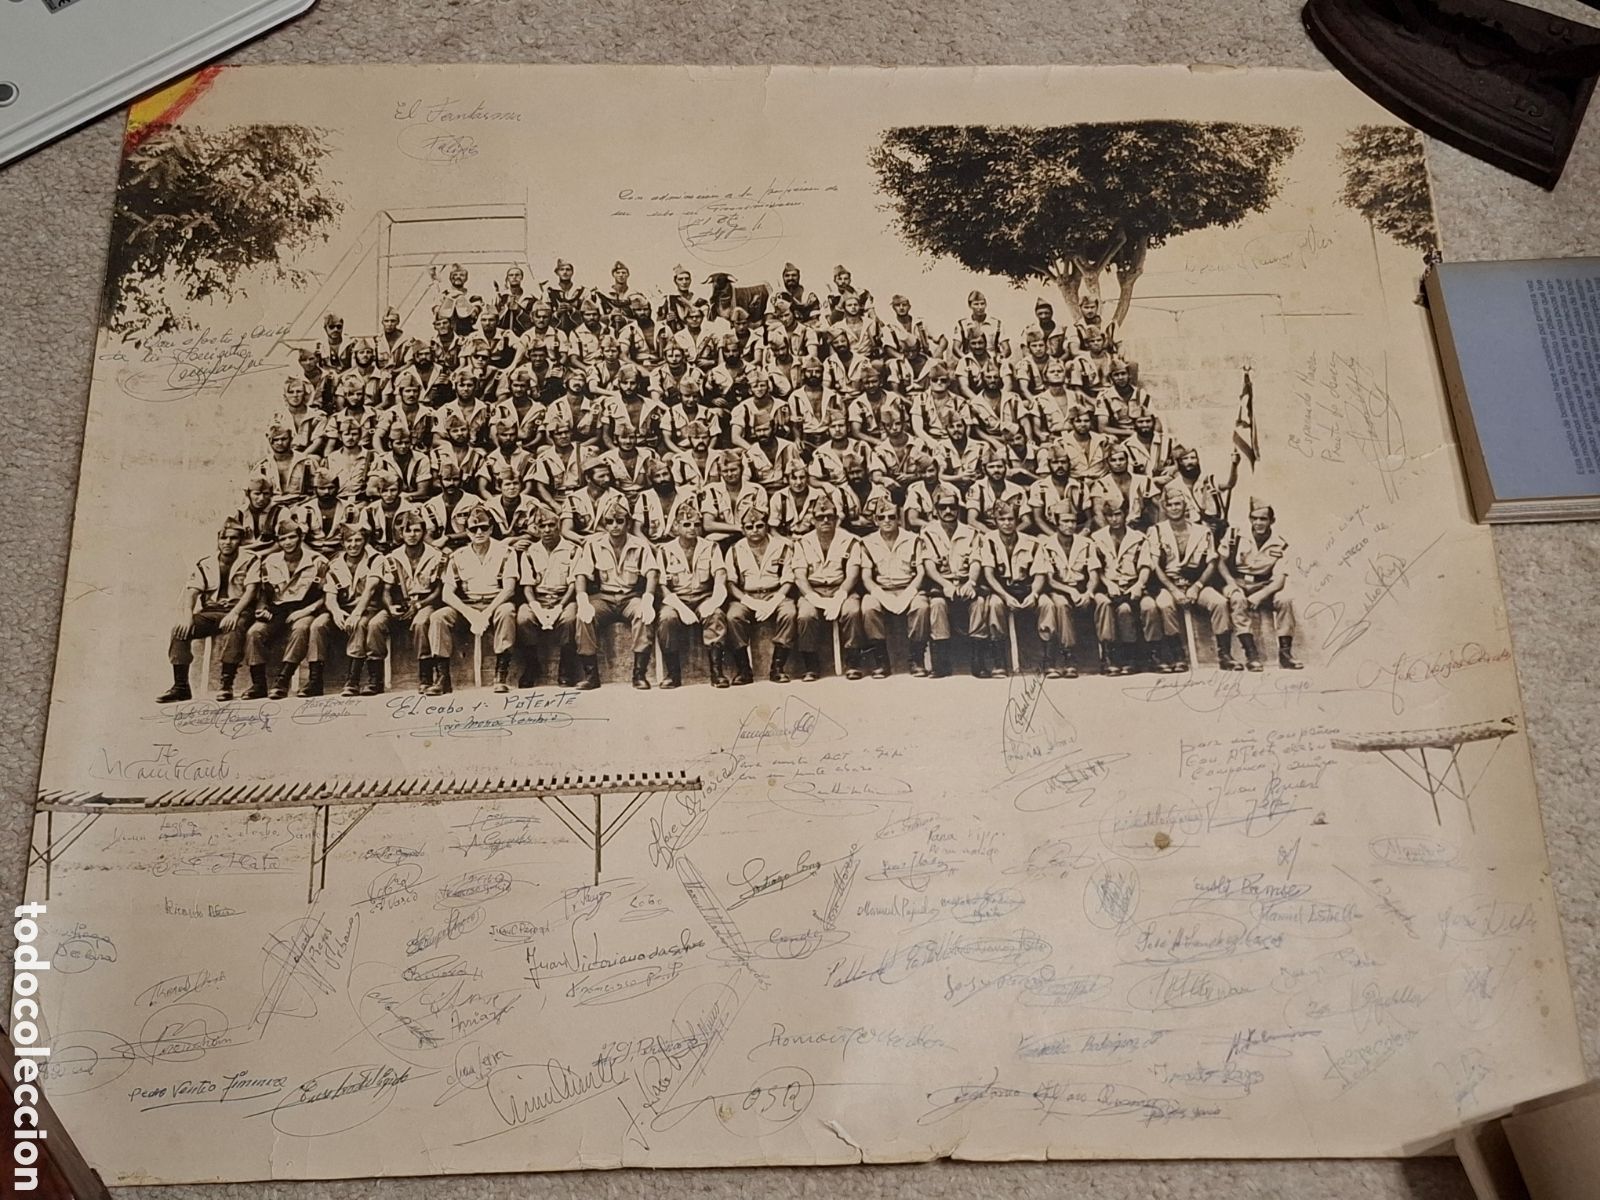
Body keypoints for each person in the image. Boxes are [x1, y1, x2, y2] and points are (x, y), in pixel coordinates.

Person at [158, 522, 259, 703]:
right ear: (218, 540)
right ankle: (181, 686)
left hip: (239, 610)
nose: (227, 542)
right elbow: (192, 592)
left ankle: (226, 684)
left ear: (240, 541)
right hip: (211, 611)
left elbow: (251, 591)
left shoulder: (251, 560)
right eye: (223, 538)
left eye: (233, 538)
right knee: (179, 630)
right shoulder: (206, 563)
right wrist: (187, 616)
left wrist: (235, 612)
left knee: (235, 628)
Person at [430, 505, 521, 694]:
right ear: (467, 532)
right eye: (473, 529)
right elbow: (447, 594)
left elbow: (509, 589)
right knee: (438, 617)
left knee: (507, 612)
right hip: (468, 605)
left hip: (495, 603)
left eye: (483, 527)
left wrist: (485, 614)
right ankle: (442, 677)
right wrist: (471, 614)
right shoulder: (458, 556)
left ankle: (500, 675)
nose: (479, 532)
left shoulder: (505, 552)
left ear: (491, 529)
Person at [574, 496, 660, 689]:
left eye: (620, 521)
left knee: (643, 614)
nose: (615, 526)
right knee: (584, 618)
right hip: (604, 598)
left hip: (630, 597)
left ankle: (639, 674)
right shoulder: (594, 545)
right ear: (604, 524)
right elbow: (581, 573)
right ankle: (591, 675)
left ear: (628, 523)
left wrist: (648, 599)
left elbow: (652, 573)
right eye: (610, 521)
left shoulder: (640, 545)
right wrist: (582, 600)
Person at [1146, 487, 1231, 672]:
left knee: (1220, 602)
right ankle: (1178, 655)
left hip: (1196, 584)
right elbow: (1155, 566)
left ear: (1185, 506)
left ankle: (1224, 654)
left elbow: (1211, 563)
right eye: (1170, 505)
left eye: (1178, 504)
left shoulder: (1203, 531)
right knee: (1164, 605)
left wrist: (1197, 586)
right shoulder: (1156, 531)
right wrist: (1173, 590)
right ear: (1164, 507)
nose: (1174, 508)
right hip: (1169, 584)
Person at [244, 515, 328, 700]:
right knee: (254, 632)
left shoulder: (317, 561)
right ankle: (258, 684)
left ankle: (282, 680)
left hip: (305, 607)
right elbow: (263, 592)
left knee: (301, 629)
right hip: (278, 609)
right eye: (283, 539)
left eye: (292, 537)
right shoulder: (270, 561)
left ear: (301, 537)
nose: (288, 542)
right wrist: (262, 608)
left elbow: (326, 595)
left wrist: (306, 611)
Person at [1217, 500, 1302, 670]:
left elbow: (1279, 579)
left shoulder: (1280, 543)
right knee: (1237, 599)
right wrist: (1231, 582)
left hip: (1263, 584)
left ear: (1272, 521)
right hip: (1237, 581)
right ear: (1250, 519)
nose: (1258, 523)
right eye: (1254, 518)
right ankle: (1251, 654)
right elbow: (1220, 562)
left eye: (1263, 519)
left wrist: (1260, 595)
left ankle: (1285, 654)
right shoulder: (1235, 534)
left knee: (1285, 600)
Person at [789, 495, 863, 681]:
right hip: (813, 589)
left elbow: (852, 574)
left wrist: (839, 597)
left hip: (842, 588)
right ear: (812, 520)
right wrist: (814, 598)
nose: (825, 521)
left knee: (852, 611)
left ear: (837, 519)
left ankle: (852, 663)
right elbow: (799, 576)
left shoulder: (851, 540)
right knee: (805, 615)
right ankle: (811, 665)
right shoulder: (802, 542)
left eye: (830, 516)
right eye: (820, 517)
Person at [654, 506, 729, 688]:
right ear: (676, 526)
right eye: (686, 524)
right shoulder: (664, 551)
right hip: (676, 599)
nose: (692, 528)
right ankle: (673, 674)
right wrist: (681, 608)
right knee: (666, 618)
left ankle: (717, 672)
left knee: (716, 615)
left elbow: (720, 577)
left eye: (696, 524)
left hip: (703, 597)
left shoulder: (711, 547)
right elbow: (662, 586)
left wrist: (713, 602)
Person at [918, 489, 989, 677]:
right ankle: (941, 664)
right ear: (936, 510)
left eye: (952, 507)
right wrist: (945, 584)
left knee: (979, 603)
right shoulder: (928, 533)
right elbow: (929, 565)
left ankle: (978, 663)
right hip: (942, 583)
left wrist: (971, 582)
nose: (948, 511)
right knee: (937, 604)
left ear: (958, 509)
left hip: (965, 581)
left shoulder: (971, 532)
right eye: (943, 507)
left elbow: (976, 560)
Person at [723, 507, 797, 684]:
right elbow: (730, 583)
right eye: (749, 527)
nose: (754, 530)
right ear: (743, 529)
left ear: (766, 526)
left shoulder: (782, 547)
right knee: (733, 616)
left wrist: (775, 601)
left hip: (775, 593)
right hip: (746, 596)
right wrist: (748, 601)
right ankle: (744, 670)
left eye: (759, 526)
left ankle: (777, 668)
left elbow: (788, 579)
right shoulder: (735, 549)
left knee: (789, 613)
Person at [313, 523, 388, 696]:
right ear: (343, 543)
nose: (353, 545)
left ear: (365, 541)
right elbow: (330, 595)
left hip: (369, 608)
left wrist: (356, 614)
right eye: (349, 541)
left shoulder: (376, 559)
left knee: (359, 624)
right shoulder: (335, 564)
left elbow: (370, 589)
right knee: (318, 625)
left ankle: (353, 680)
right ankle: (314, 680)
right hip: (344, 609)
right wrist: (336, 612)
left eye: (358, 540)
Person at [856, 500, 929, 677]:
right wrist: (882, 596)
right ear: (876, 520)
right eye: (882, 517)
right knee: (868, 607)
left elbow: (920, 573)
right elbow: (866, 577)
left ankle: (916, 659)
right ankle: (881, 661)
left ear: (899, 519)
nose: (887, 521)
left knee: (921, 606)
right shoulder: (867, 542)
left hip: (908, 587)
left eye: (891, 517)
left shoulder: (913, 539)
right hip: (881, 589)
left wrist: (908, 594)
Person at [378, 509, 445, 694]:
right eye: (408, 531)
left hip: (426, 601)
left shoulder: (436, 555)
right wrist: (390, 607)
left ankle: (425, 677)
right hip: (401, 602)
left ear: (423, 532)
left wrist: (419, 605)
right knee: (376, 623)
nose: (412, 535)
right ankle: (374, 678)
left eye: (417, 530)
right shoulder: (392, 557)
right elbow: (386, 590)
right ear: (401, 533)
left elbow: (439, 590)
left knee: (420, 623)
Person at [976, 501, 1044, 678]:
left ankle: (1049, 659)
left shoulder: (1032, 542)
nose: (1007, 523)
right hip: (1001, 589)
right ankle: (999, 661)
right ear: (995, 521)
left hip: (1026, 589)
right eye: (1002, 519)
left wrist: (1034, 594)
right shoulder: (988, 540)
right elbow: (989, 575)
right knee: (994, 605)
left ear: (1017, 521)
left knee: (1048, 604)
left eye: (1010, 519)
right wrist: (1005, 596)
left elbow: (1039, 574)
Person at [1033, 511, 1105, 678]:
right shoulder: (1046, 545)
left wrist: (1088, 592)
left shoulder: (1086, 544)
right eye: (1065, 521)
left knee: (1103, 602)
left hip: (1082, 588)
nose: (1070, 525)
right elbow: (1050, 580)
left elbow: (1093, 575)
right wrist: (1071, 591)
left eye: (1073, 521)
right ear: (1056, 523)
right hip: (1059, 589)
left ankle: (1108, 656)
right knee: (1061, 605)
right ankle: (1068, 656)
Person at [516, 508, 581, 687]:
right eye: (542, 526)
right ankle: (532, 666)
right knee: (523, 618)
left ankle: (566, 669)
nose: (547, 530)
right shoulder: (530, 552)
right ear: (536, 528)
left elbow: (573, 585)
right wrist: (536, 608)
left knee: (570, 619)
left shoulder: (572, 550)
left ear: (558, 526)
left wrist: (559, 607)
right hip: (539, 599)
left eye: (551, 525)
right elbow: (527, 586)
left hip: (564, 598)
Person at [1089, 501, 1152, 676]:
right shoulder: (1096, 538)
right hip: (1107, 586)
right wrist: (1108, 583)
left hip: (1131, 584)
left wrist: (1139, 584)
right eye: (1109, 515)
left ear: (1125, 514)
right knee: (1103, 604)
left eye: (1118, 514)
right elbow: (1096, 567)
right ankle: (1109, 656)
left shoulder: (1138, 538)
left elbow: (1145, 565)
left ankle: (1129, 656)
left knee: (1125, 609)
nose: (1114, 519)